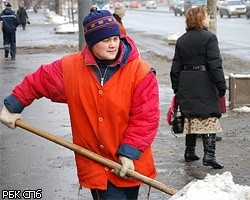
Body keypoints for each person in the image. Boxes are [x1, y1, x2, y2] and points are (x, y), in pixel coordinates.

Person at [0, 9, 160, 199]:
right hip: (98, 164)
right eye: (105, 40)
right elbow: (39, 81)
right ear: (91, 43)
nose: (113, 45)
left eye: (115, 39)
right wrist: (13, 106)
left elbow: (146, 117)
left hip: (130, 162)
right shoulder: (70, 68)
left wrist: (129, 151)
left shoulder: (141, 73)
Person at [170, 5, 227, 169]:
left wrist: (177, 88)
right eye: (207, 16)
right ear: (200, 19)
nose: (208, 19)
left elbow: (175, 67)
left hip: (186, 81)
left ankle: (190, 152)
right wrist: (221, 85)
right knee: (208, 115)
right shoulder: (209, 38)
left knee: (191, 115)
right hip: (204, 81)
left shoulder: (181, 40)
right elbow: (215, 64)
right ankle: (209, 155)